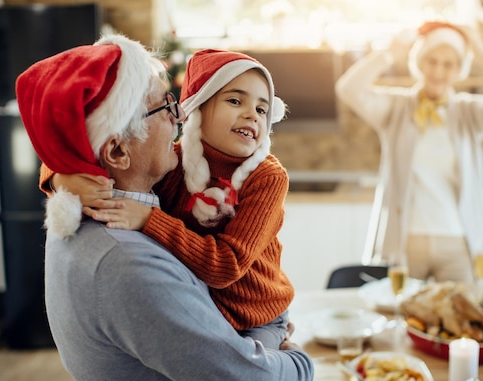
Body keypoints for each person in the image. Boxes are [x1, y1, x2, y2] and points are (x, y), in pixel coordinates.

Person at [16, 33, 314, 381]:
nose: (179, 115)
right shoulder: (128, 264)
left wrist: (63, 178)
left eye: (261, 108)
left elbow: (67, 144)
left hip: (255, 310)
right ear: (119, 151)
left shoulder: (118, 198)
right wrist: (302, 361)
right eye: (164, 107)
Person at [40, 49, 294, 348]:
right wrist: (60, 177)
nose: (252, 114)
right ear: (197, 110)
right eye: (235, 101)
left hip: (257, 316)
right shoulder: (170, 161)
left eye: (263, 110)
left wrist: (149, 219)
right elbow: (75, 148)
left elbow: (228, 265)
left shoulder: (266, 178)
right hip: (207, 311)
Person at [335, 22, 483, 283]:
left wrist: (478, 48)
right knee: (401, 318)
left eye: (448, 64)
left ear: (459, 70)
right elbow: (348, 89)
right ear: (420, 63)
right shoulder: (397, 107)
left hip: (457, 240)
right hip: (405, 242)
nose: (438, 71)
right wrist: (389, 52)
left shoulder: (468, 113)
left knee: (460, 319)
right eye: (432, 61)